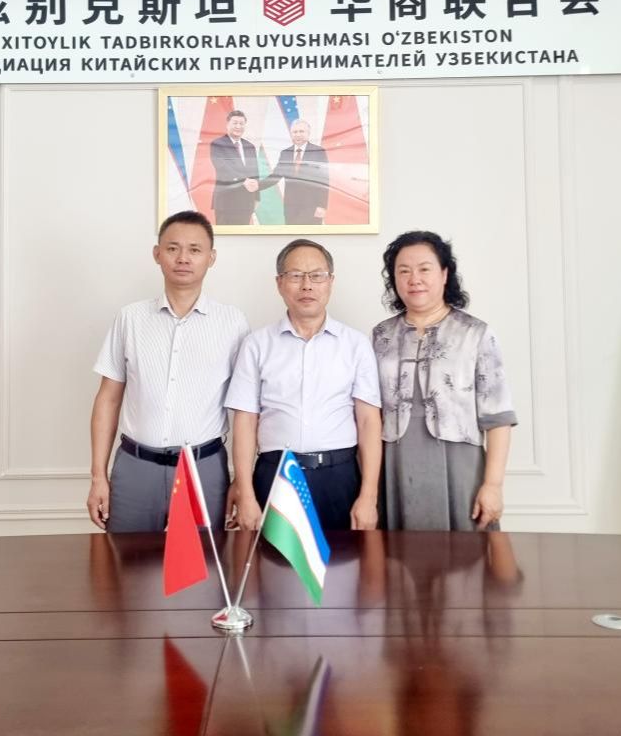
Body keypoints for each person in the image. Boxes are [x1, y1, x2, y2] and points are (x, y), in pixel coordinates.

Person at [86, 211, 249, 532]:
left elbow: (245, 409)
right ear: (157, 254)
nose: (183, 258)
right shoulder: (130, 318)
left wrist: (243, 481)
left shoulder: (233, 323)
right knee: (126, 561)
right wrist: (97, 477)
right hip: (135, 467)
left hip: (203, 469)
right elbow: (108, 399)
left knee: (202, 563)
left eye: (195, 249)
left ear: (211, 258)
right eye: (173, 248)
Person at [227, 239, 382, 532]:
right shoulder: (257, 345)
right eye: (296, 275)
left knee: (343, 560)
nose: (307, 285)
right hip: (276, 475)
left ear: (330, 282)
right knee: (274, 561)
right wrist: (246, 494)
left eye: (317, 276)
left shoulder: (356, 344)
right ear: (279, 283)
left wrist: (368, 497)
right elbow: (245, 422)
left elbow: (368, 422)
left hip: (339, 477)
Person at [372, 231, 517, 531]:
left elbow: (498, 418)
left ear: (444, 273)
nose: (414, 279)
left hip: (461, 465)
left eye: (424, 269)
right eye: (403, 271)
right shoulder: (381, 335)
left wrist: (493, 485)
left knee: (465, 555)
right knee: (398, 554)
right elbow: (369, 414)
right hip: (395, 464)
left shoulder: (475, 333)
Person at [259, 119, 329, 226]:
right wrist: (257, 185)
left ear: (308, 133)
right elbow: (276, 176)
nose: (298, 134)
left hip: (312, 207)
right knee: (292, 235)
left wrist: (322, 206)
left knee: (309, 235)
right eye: (295, 132)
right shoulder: (285, 153)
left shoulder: (318, 152)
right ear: (291, 134)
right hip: (291, 207)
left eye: (301, 131)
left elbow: (324, 180)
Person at [208, 110, 261, 225]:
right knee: (225, 235)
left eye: (241, 123)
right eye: (235, 123)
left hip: (246, 201)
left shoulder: (250, 146)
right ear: (227, 124)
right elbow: (222, 168)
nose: (238, 126)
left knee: (243, 235)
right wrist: (243, 181)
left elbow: (255, 173)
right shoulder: (217, 144)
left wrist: (257, 197)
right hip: (226, 201)